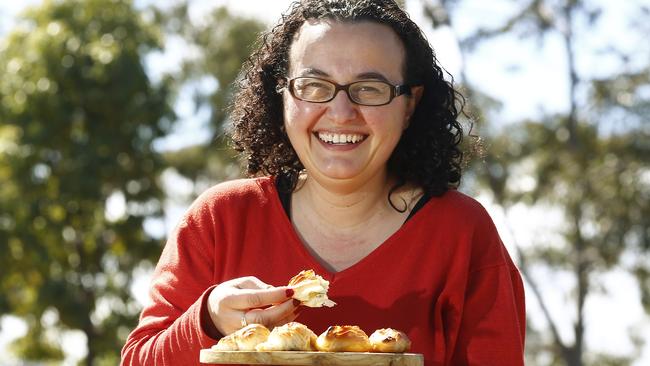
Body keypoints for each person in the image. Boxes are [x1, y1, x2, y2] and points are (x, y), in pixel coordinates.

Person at [120, 0, 526, 365]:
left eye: (370, 88)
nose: (340, 111)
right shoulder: (219, 220)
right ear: (281, 95)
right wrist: (207, 319)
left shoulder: (461, 232)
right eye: (314, 86)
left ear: (410, 104)